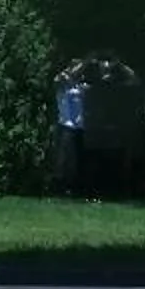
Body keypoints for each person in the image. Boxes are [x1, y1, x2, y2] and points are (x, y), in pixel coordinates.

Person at [52, 67, 88, 196]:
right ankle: (60, 187)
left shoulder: (81, 87)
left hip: (80, 128)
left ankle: (74, 187)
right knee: (64, 159)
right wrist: (70, 71)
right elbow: (59, 77)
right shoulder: (62, 87)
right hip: (66, 127)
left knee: (76, 159)